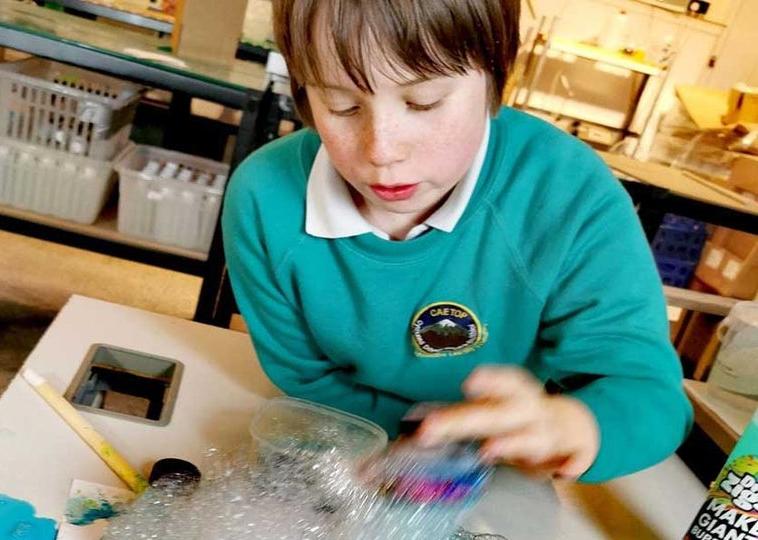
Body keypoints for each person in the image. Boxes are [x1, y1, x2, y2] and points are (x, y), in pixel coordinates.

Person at [221, 0, 691, 483]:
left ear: (495, 78)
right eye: (342, 105)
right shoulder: (264, 198)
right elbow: (305, 379)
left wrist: (577, 425)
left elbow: (650, 395)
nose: (383, 151)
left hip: (499, 477)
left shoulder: (567, 192)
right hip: (342, 456)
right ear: (303, 95)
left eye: (424, 102)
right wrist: (414, 445)